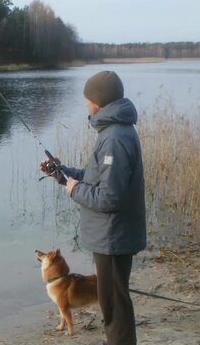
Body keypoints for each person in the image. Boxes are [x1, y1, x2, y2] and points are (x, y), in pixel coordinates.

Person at [40, 71, 146, 345]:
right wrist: (61, 174)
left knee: (113, 303)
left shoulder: (114, 139)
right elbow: (95, 177)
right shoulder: (114, 132)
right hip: (111, 235)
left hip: (113, 237)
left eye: (88, 98)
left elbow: (110, 198)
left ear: (99, 101)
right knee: (112, 299)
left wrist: (74, 189)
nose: (85, 103)